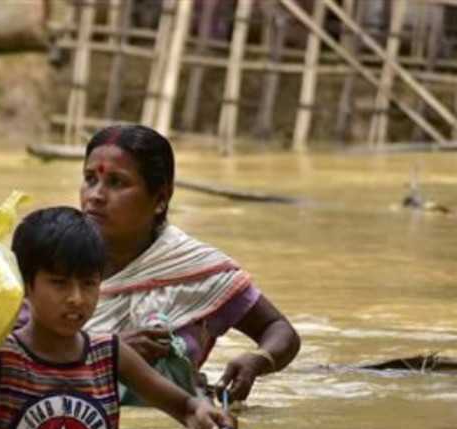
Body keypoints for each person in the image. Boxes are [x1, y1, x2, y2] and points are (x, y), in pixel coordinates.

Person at [0, 206, 236, 429]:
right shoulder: (0, 358)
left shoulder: (110, 354)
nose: (77, 298)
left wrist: (206, 416)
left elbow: (186, 408)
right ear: (26, 286)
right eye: (60, 283)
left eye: (89, 284)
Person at [80, 124, 300, 404]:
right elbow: (17, 351)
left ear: (160, 199)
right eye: (90, 179)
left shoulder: (198, 270)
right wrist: (108, 350)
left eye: (116, 183)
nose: (95, 195)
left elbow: (280, 329)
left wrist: (258, 360)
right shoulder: (54, 260)